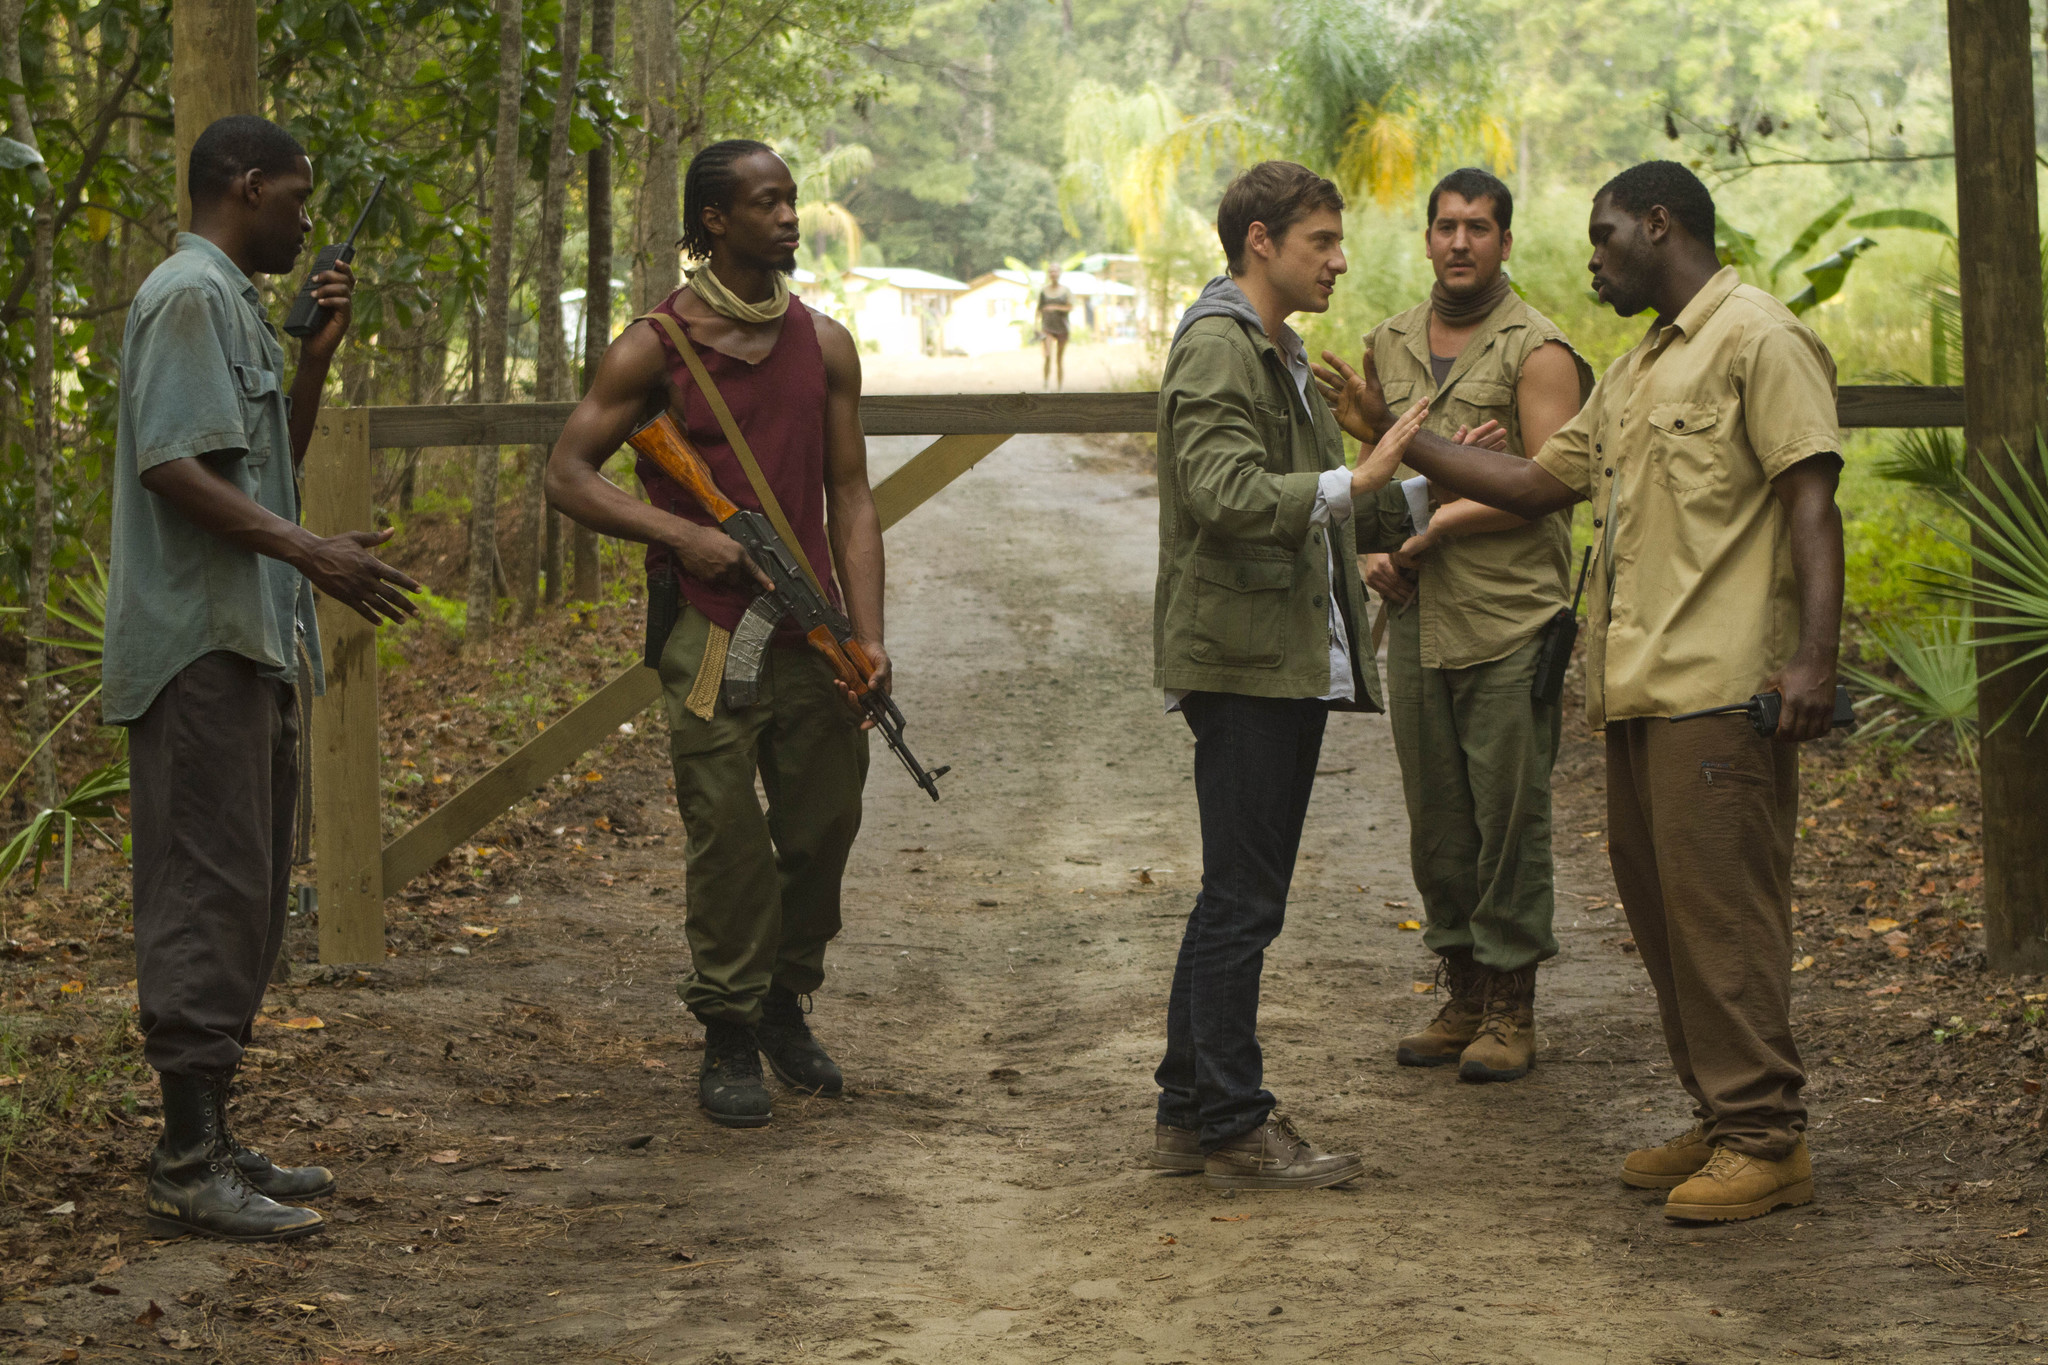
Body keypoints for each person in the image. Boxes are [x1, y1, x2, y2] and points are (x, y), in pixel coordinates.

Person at [1315, 161, 1842, 1224]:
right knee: (1662, 917)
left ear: (1658, 224)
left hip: (1720, 687)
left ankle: (1764, 1137)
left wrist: (1812, 664)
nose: (1593, 258)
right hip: (1640, 689)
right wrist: (1395, 435)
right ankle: (1719, 1110)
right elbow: (1529, 484)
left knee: (1719, 916)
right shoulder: (1643, 364)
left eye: (1604, 237)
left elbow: (1810, 504)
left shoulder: (1758, 339)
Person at [107, 115, 420, 1242]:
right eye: (294, 199)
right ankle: (187, 1160)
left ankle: (211, 1136)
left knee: (241, 890)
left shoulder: (232, 304)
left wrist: (315, 363)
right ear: (245, 187)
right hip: (198, 647)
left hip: (247, 637)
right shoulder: (186, 295)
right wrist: (312, 553)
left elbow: (258, 463)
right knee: (203, 889)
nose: (305, 221)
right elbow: (170, 468)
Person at [546, 140, 883, 1129]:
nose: (787, 218)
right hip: (709, 636)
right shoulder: (651, 346)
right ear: (713, 223)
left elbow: (852, 494)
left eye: (790, 201)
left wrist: (869, 635)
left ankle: (784, 998)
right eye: (765, 203)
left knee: (823, 824)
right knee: (727, 836)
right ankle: (729, 1029)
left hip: (811, 632)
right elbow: (568, 472)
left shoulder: (823, 343)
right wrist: (682, 534)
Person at [1147, 161, 1436, 1191]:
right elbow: (1221, 491)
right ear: (1259, 241)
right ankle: (1231, 1119)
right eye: (1319, 239)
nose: (1337, 258)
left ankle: (1190, 1107)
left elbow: (1325, 506)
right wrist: (1352, 478)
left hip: (1277, 658)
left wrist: (1412, 486)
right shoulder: (1219, 346)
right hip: (1244, 663)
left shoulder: (1280, 350)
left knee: (1236, 893)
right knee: (1243, 901)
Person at [1353, 168, 1592, 1084]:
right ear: (1425, 238)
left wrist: (1444, 511)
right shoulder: (1388, 344)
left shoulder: (1538, 353)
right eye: (1447, 226)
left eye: (1480, 227)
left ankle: (1511, 1005)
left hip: (1507, 619)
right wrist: (1376, 551)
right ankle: (1459, 990)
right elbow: (1373, 482)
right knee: (1438, 821)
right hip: (1416, 618)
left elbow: (1547, 487)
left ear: (1504, 241)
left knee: (1508, 818)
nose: (1461, 242)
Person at [1038, 265, 1073, 390]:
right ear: (1048, 273)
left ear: (1060, 273)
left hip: (1062, 328)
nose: (1053, 273)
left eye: (1055, 271)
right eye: (1051, 271)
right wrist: (1036, 326)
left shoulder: (1066, 291)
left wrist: (1054, 307)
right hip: (1047, 327)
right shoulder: (1043, 292)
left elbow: (1070, 307)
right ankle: (1046, 385)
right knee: (1047, 355)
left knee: (1059, 359)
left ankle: (1060, 388)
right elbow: (1038, 310)